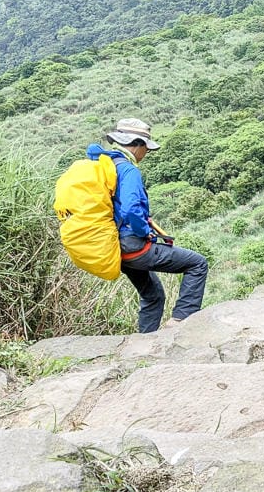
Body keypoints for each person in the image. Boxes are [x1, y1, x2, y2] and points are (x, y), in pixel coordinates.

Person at [86, 118, 208, 333]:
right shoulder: (128, 170)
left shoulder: (105, 166)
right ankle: (181, 321)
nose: (147, 153)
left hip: (115, 248)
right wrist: (145, 233)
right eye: (146, 148)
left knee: (153, 295)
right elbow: (131, 209)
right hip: (134, 247)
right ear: (137, 144)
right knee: (197, 264)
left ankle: (145, 340)